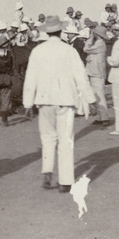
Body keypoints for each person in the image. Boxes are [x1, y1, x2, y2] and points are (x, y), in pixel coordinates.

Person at [22, 15, 95, 193]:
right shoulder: (69, 51)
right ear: (61, 30)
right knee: (65, 140)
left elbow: (30, 78)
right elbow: (81, 76)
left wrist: (27, 103)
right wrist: (90, 99)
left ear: (46, 32)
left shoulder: (37, 51)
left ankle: (47, 170)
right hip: (65, 100)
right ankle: (65, 180)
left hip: (44, 100)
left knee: (47, 138)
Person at [83, 25, 110, 126]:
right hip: (94, 72)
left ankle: (104, 118)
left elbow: (85, 49)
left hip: (97, 73)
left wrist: (90, 39)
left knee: (100, 95)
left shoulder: (99, 44)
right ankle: (101, 117)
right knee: (96, 95)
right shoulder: (99, 43)